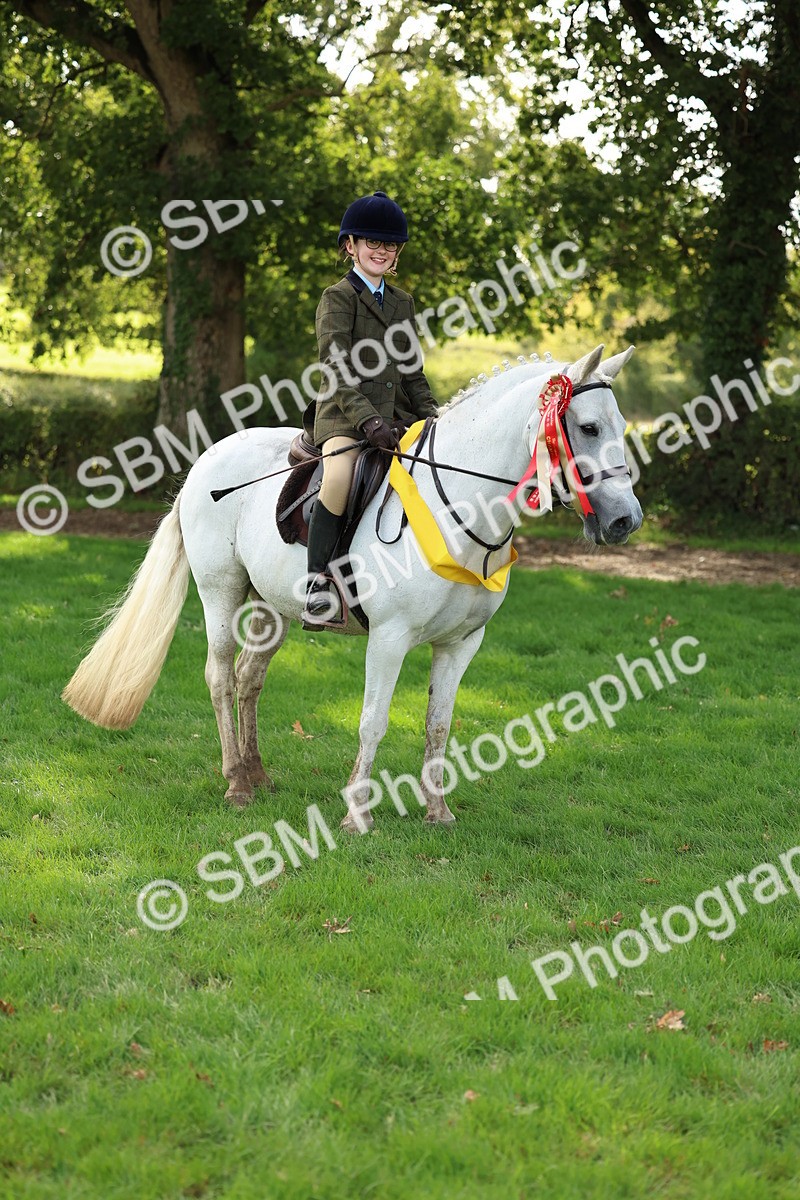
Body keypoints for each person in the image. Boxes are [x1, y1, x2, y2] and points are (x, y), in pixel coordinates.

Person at [301, 190, 439, 626]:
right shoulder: (337, 297)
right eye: (373, 242)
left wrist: (433, 415)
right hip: (344, 417)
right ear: (351, 245)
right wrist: (369, 420)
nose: (381, 251)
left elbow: (412, 371)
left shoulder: (402, 302)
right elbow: (336, 369)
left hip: (394, 419)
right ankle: (317, 582)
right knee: (339, 476)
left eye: (390, 245)